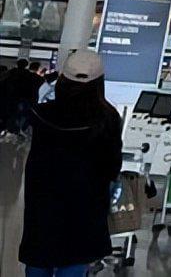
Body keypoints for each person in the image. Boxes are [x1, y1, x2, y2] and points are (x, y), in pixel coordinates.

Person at [20, 50, 122, 277]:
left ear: (63, 79)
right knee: (75, 260)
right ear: (99, 83)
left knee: (38, 258)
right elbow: (112, 166)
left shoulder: (42, 114)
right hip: (85, 206)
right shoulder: (108, 118)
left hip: (43, 202)